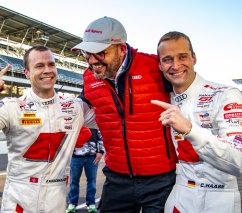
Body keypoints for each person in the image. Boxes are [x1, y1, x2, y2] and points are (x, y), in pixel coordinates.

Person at [0, 46, 96, 212]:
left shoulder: (74, 107)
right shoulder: (11, 107)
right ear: (26, 73)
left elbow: (113, 118)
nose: (47, 70)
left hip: (56, 202)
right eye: (39, 66)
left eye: (51, 64)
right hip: (18, 203)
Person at [72, 16, 177, 213]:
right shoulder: (88, 76)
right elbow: (78, 110)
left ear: (121, 49)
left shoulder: (154, 66)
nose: (92, 60)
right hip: (116, 177)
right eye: (87, 53)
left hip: (161, 179)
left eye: (100, 53)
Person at [153, 31, 242, 213]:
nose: (175, 65)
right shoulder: (162, 100)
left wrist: (190, 130)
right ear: (160, 65)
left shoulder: (226, 94)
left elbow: (241, 160)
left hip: (224, 196)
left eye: (182, 57)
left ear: (193, 58)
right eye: (167, 59)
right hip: (181, 194)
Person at [66, 126, 104, 213]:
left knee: (92, 181)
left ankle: (91, 203)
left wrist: (101, 151)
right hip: (75, 156)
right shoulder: (74, 119)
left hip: (92, 156)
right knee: (74, 181)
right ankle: (72, 203)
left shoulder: (92, 119)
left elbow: (100, 135)